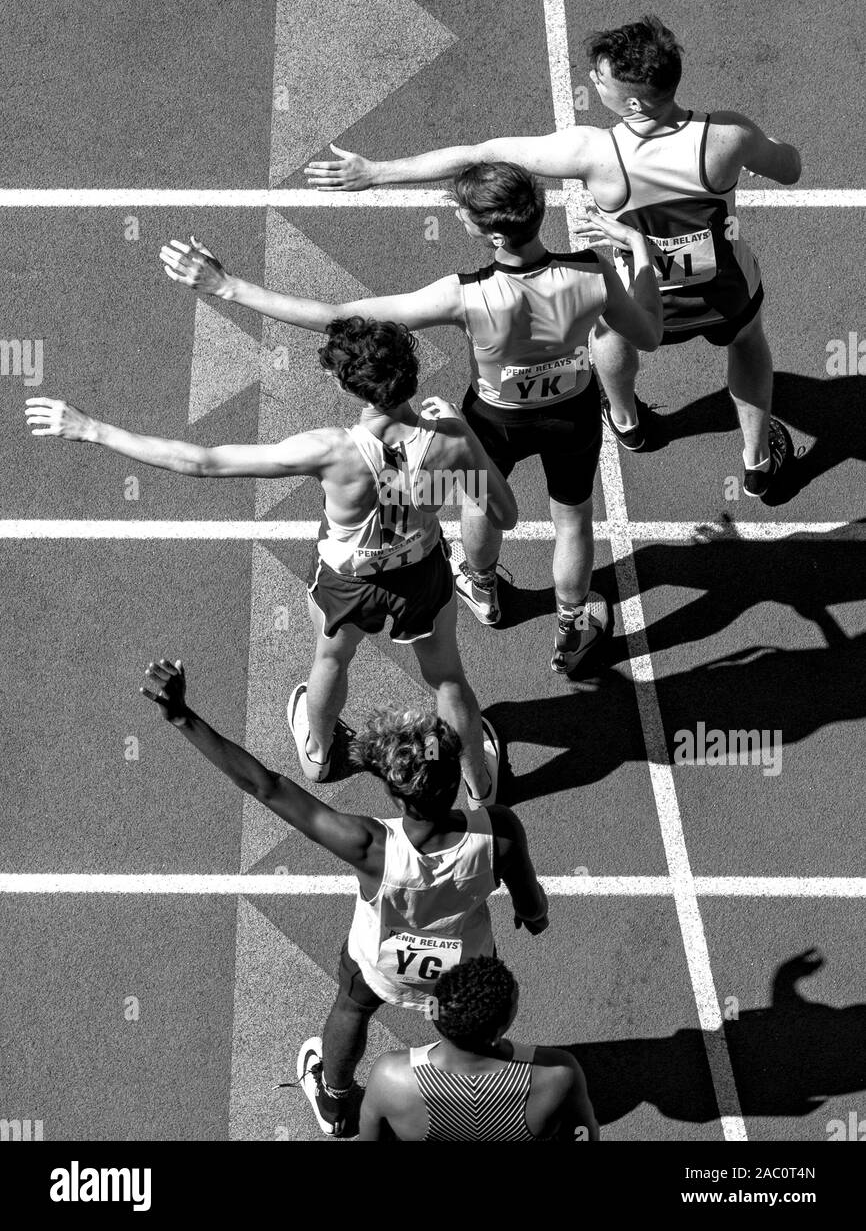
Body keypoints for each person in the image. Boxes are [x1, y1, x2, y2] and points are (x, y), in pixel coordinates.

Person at [159, 161, 661, 674]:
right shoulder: (592, 272)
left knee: (478, 499)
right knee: (573, 519)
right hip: (569, 415)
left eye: (464, 214)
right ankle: (573, 625)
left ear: (491, 234)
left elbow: (340, 315)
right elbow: (648, 334)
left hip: (494, 419)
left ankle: (483, 590)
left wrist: (228, 288)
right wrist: (641, 253)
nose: (458, 218)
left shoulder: (463, 294)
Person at [305, 13, 802, 500]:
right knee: (746, 341)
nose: (592, 81)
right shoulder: (728, 137)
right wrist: (761, 149)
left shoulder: (593, 152)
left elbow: (478, 155)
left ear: (631, 101)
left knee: (608, 330)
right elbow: (790, 168)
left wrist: (376, 173)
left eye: (600, 78)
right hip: (724, 290)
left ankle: (628, 424)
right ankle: (758, 462)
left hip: (644, 297)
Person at [25, 317, 517, 806]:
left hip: (348, 583)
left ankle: (320, 754)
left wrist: (93, 429)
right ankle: (480, 786)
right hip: (421, 576)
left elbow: (203, 462)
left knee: (330, 659)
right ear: (410, 371)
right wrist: (461, 435)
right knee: (448, 680)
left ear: (351, 385)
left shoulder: (329, 451)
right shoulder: (450, 441)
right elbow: (503, 513)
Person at [139, 660, 550, 1138]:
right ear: (457, 780)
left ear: (396, 796)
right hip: (466, 969)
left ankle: (334, 1104)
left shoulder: (369, 845)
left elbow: (265, 786)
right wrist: (533, 913)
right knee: (470, 1028)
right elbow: (529, 897)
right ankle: (479, 1101)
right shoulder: (498, 831)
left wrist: (182, 716)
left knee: (353, 1008)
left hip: (380, 962)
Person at [358, 955, 599, 1142]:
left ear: (432, 1012)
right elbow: (582, 1132)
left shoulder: (389, 1077)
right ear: (501, 1026)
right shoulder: (558, 1073)